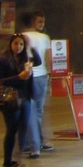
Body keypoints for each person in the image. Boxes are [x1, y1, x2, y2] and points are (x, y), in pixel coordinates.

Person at [0, 33, 41, 167]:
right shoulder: (3, 60)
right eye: (16, 43)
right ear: (10, 44)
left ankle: (17, 159)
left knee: (23, 127)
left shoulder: (25, 58)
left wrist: (31, 47)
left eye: (21, 44)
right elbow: (0, 81)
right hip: (10, 98)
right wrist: (19, 77)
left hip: (25, 97)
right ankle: (7, 162)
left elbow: (38, 61)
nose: (18, 47)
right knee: (11, 129)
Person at [22, 10, 53, 158]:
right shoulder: (45, 38)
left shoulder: (23, 37)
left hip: (28, 76)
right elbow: (48, 58)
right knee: (39, 111)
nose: (42, 24)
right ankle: (37, 142)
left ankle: (32, 142)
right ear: (33, 22)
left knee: (29, 110)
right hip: (40, 76)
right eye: (40, 21)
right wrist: (50, 73)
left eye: (43, 22)